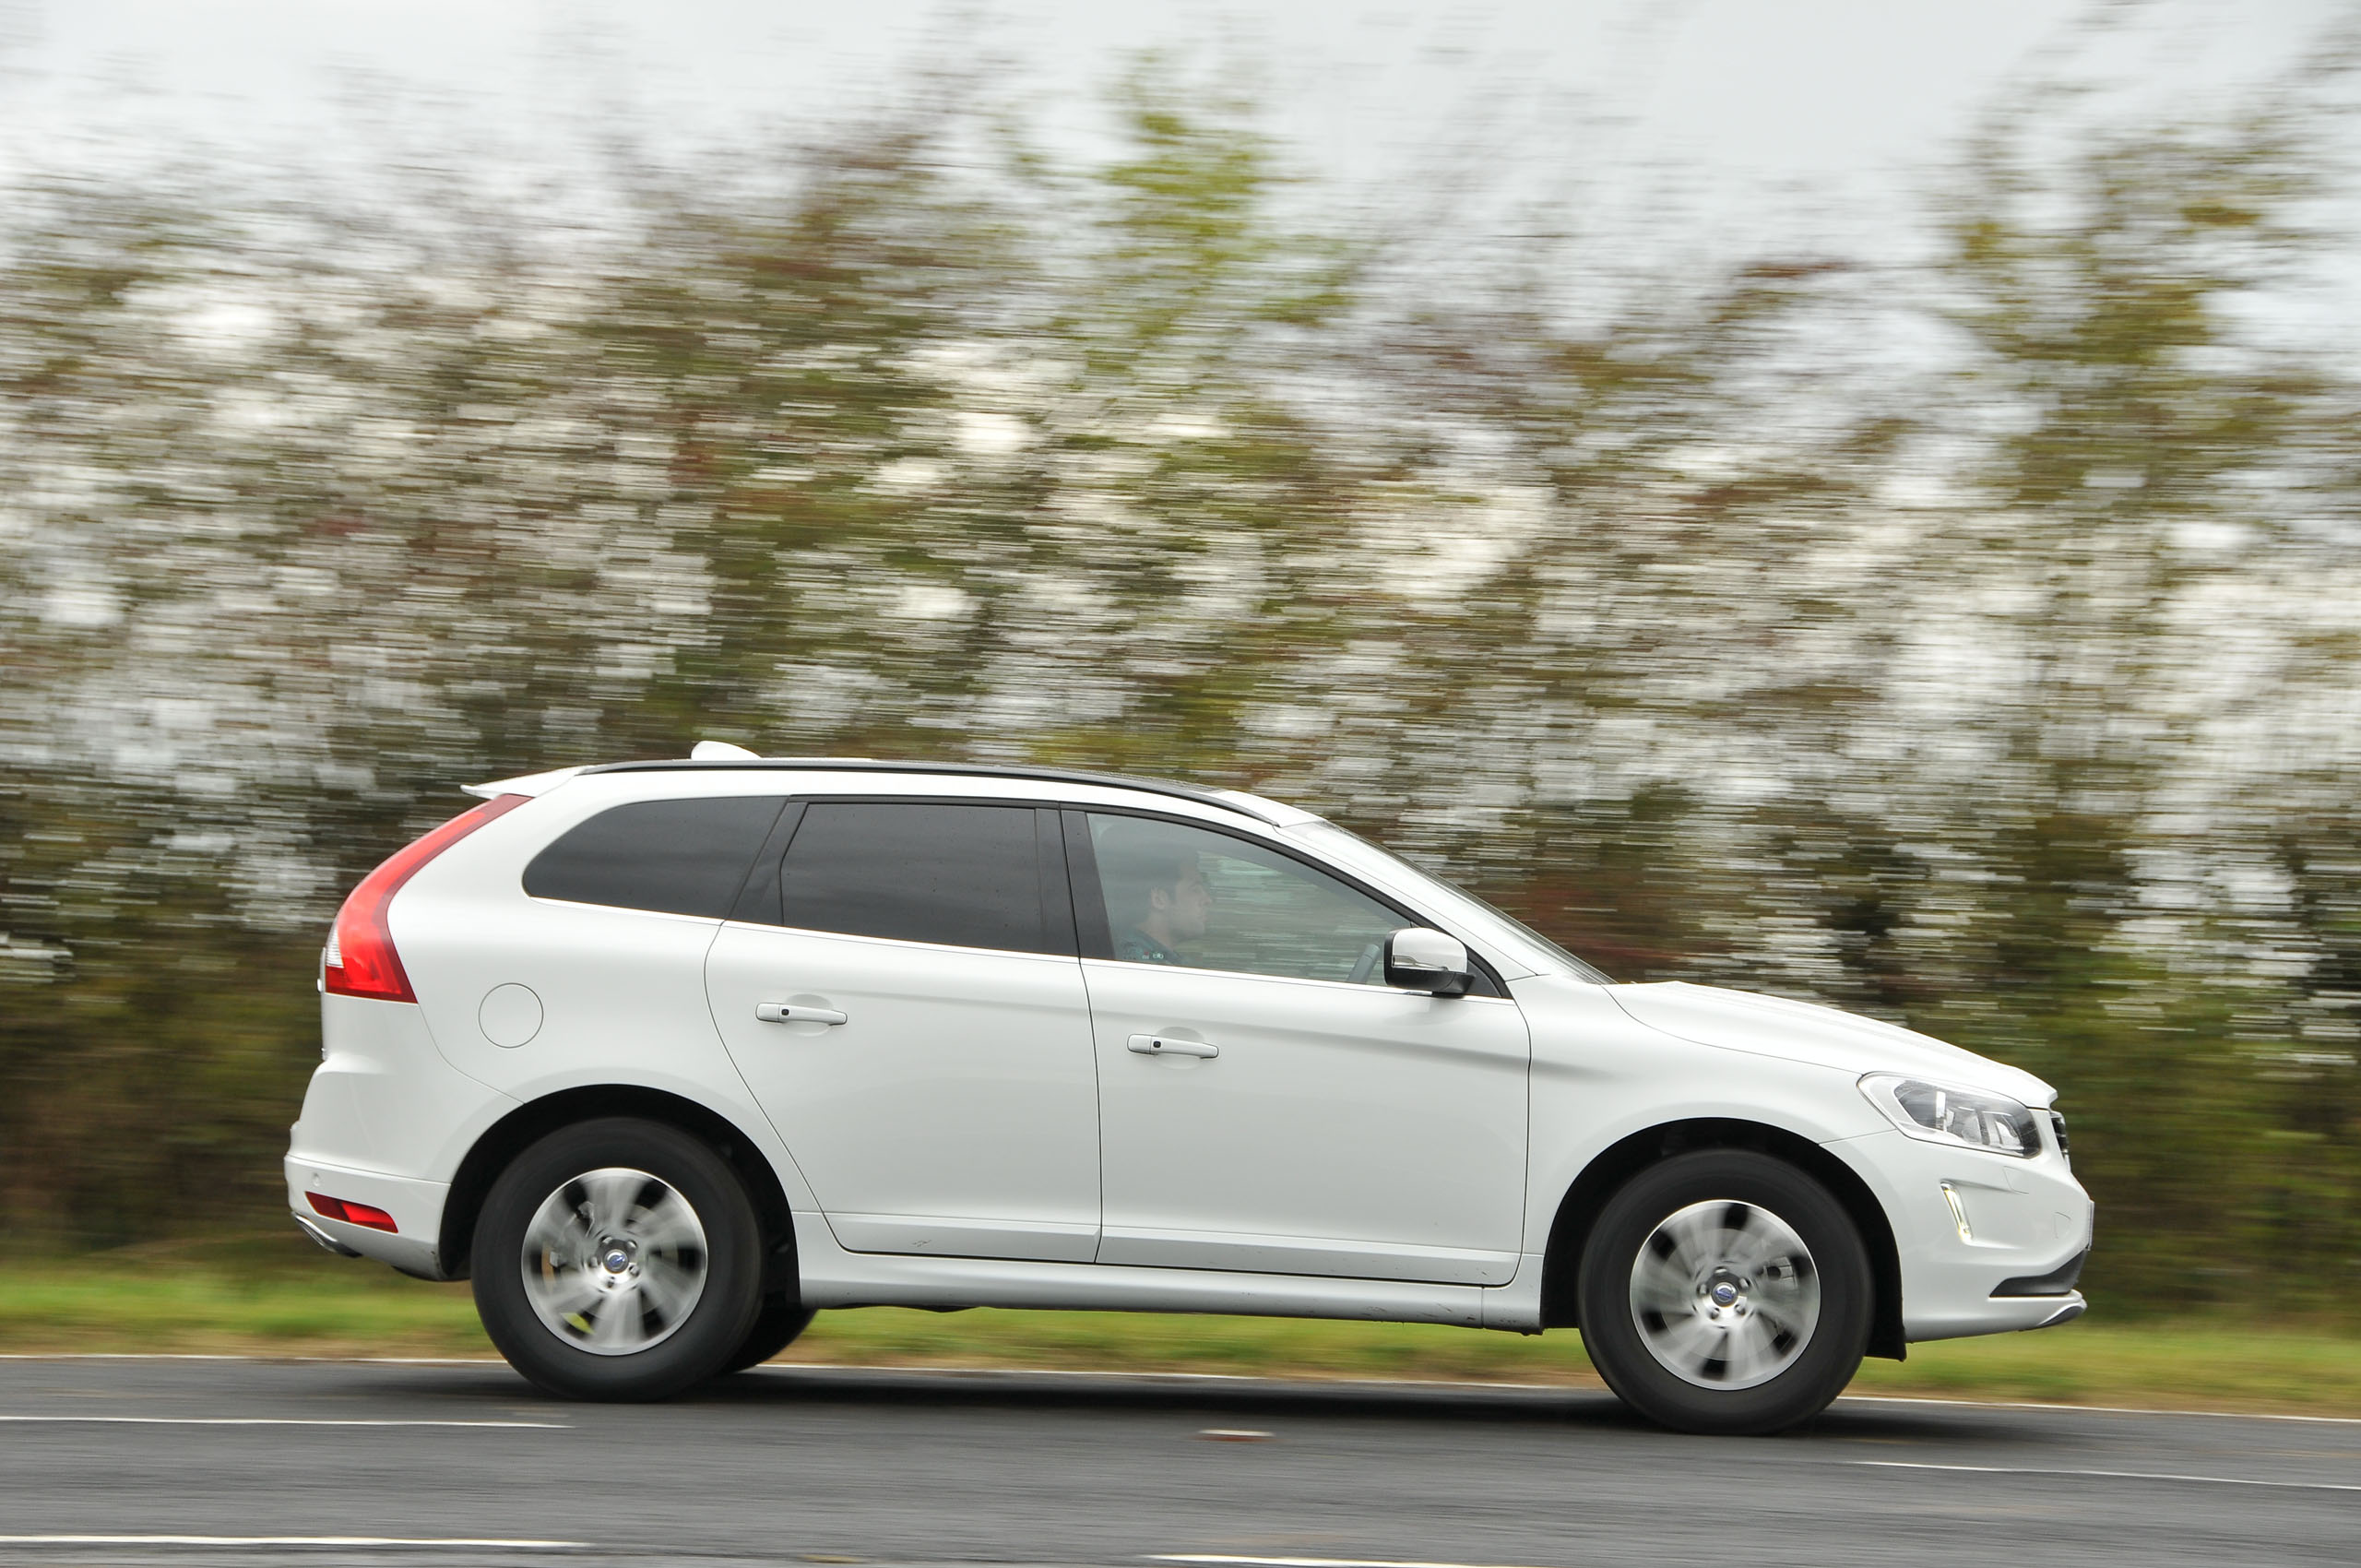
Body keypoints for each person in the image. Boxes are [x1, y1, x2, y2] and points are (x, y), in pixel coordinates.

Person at [1097, 835, 1212, 965]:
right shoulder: (1136, 963)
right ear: (1159, 899)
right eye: (1195, 889)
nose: (1208, 900)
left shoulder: (1154, 958)